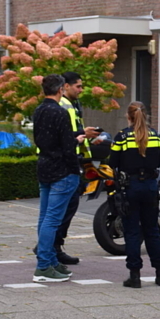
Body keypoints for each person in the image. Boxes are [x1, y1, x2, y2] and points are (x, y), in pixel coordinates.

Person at [31, 74, 85, 283]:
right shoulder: (60, 113)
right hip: (62, 171)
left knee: (45, 217)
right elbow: (67, 147)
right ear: (61, 89)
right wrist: (75, 168)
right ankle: (44, 266)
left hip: (44, 167)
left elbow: (46, 140)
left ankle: (51, 261)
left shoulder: (38, 111)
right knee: (53, 219)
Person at [109, 102, 160, 288]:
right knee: (152, 231)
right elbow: (159, 160)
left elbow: (112, 162)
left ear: (129, 116)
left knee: (132, 231)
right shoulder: (155, 136)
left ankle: (135, 276)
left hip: (130, 187)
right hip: (150, 186)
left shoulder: (122, 137)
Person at [51, 71, 101, 266]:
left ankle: (54, 246)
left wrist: (88, 139)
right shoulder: (63, 105)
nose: (81, 90)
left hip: (72, 159)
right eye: (78, 86)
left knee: (66, 207)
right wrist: (82, 133)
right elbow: (65, 135)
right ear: (66, 87)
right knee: (63, 208)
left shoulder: (71, 105)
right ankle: (51, 247)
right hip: (65, 162)